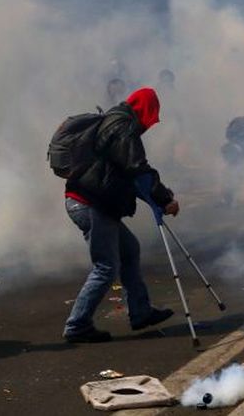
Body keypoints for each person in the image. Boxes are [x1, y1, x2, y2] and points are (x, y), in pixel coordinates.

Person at [62, 87, 179, 343]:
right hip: (90, 205)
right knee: (105, 267)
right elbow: (137, 170)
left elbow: (124, 175)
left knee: (130, 251)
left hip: (91, 203)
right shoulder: (123, 129)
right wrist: (165, 199)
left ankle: (140, 312)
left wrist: (154, 197)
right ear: (144, 110)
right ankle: (77, 325)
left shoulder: (115, 123)